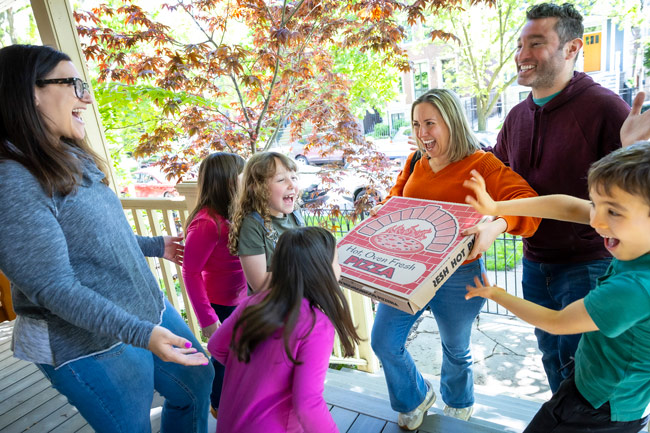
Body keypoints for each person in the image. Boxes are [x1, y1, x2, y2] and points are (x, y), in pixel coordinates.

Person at [0, 44, 213, 433]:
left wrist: (155, 246)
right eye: (73, 83)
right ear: (31, 92)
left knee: (198, 382)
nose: (87, 95)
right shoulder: (13, 180)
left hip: (144, 307)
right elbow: (54, 287)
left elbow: (101, 235)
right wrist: (141, 334)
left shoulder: (67, 155)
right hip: (86, 343)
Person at [369, 88, 540, 430]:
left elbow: (528, 202)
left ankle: (459, 402)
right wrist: (385, 211)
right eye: (416, 124)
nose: (421, 133)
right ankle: (415, 397)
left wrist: (497, 224)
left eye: (430, 123)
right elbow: (397, 196)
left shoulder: (483, 165)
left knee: (456, 349)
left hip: (460, 276)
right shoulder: (416, 160)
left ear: (452, 122)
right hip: (409, 271)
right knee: (383, 341)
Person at [489, 2, 631, 393]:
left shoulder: (605, 108)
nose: (522, 55)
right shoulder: (516, 116)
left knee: (585, 373)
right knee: (551, 357)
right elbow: (499, 181)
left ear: (571, 48)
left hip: (589, 267)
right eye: (520, 44)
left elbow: (634, 191)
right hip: (534, 265)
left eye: (536, 43)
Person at [464, 142, 650, 432]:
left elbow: (557, 321)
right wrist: (497, 207)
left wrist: (495, 293)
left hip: (597, 409)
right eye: (594, 204)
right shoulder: (638, 245)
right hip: (602, 390)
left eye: (613, 211)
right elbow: (565, 205)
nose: (595, 220)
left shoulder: (634, 288)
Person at [209, 226, 361, 432]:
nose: (340, 268)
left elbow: (216, 346)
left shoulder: (252, 302)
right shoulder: (317, 325)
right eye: (337, 260)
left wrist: (255, 373)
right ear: (320, 269)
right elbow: (308, 404)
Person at [182, 152, 247, 418]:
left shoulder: (235, 213)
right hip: (220, 305)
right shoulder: (207, 224)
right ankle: (219, 406)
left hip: (241, 299)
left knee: (241, 356)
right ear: (228, 181)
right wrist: (208, 319)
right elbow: (190, 272)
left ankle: (237, 397)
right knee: (223, 361)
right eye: (243, 176)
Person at [228, 151, 304, 293]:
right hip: (271, 307)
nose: (291, 184)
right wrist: (309, 273)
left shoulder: (296, 216)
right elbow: (260, 283)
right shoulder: (253, 226)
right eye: (281, 180)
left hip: (298, 299)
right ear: (258, 188)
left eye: (294, 177)